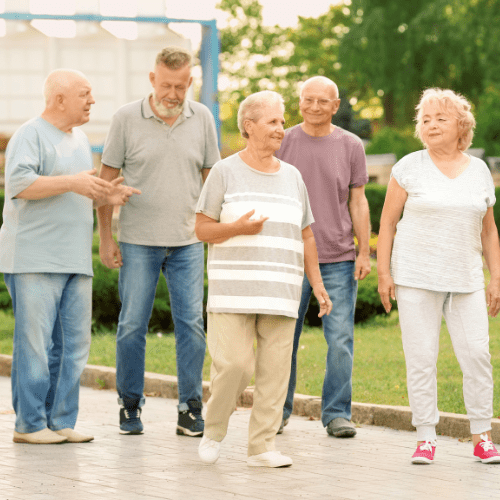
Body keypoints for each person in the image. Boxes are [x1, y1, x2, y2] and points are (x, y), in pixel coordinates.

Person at [0, 69, 140, 445]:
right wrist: (73, 182)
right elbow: (18, 184)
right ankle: (29, 425)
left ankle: (60, 420)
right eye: (85, 94)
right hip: (34, 259)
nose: (92, 101)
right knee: (35, 346)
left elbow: (76, 191)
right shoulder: (30, 134)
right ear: (59, 99)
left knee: (74, 346)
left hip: (75, 260)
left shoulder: (80, 139)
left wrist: (105, 197)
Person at [195, 90, 332, 468]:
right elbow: (202, 228)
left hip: (282, 291)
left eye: (281, 122)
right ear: (248, 126)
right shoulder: (224, 171)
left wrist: (316, 283)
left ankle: (262, 447)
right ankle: (213, 430)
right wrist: (236, 227)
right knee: (235, 366)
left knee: (275, 374)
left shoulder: (293, 176)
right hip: (232, 292)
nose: (281, 128)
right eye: (273, 121)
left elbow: (306, 234)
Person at [97, 46, 220, 436]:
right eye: (167, 85)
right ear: (152, 80)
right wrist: (105, 239)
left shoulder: (201, 118)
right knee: (132, 324)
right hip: (137, 241)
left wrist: (216, 232)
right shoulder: (125, 119)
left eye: (181, 86)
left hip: (186, 242)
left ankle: (190, 408)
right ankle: (130, 406)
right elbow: (105, 184)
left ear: (189, 83)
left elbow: (212, 181)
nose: (173, 94)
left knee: (192, 325)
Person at [377, 88, 500, 465]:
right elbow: (387, 223)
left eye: (440, 119)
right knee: (421, 358)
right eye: (425, 119)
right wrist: (384, 273)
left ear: (461, 125)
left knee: (477, 355)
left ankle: (482, 434)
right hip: (415, 276)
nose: (431, 125)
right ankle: (426, 437)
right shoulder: (408, 167)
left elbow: (489, 230)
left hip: (465, 279)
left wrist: (495, 278)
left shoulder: (479, 170)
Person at [275, 76, 371, 438]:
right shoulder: (282, 141)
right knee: (283, 339)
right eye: (307, 100)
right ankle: (278, 411)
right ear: (299, 102)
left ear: (335, 105)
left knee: (341, 340)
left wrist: (364, 251)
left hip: (338, 259)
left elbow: (358, 201)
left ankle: (336, 414)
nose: (314, 107)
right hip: (290, 258)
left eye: (322, 101)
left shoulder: (351, 145)